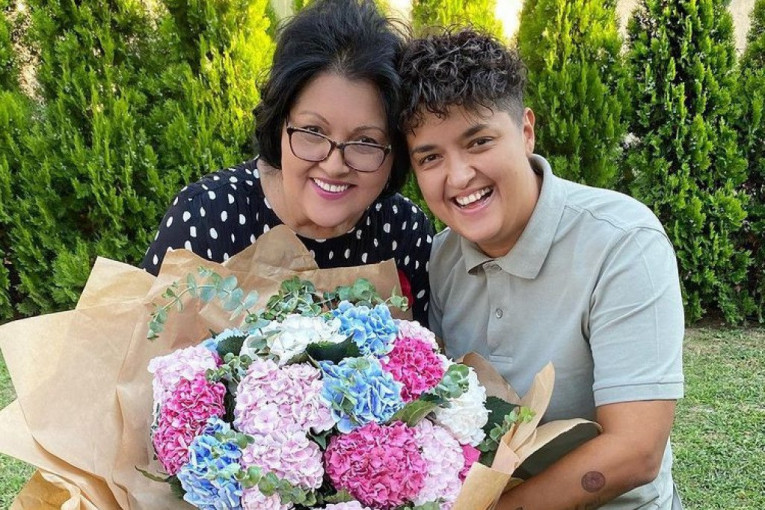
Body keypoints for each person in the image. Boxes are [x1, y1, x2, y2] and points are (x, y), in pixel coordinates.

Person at [398, 29, 684, 509]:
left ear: (526, 131)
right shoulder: (443, 256)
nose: (459, 176)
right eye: (430, 157)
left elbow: (636, 451)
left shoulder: (623, 242)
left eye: (479, 141)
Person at [141, 0, 434, 324]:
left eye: (365, 141)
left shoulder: (404, 231)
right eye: (313, 131)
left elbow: (427, 350)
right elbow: (144, 344)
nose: (334, 165)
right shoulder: (204, 218)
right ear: (280, 123)